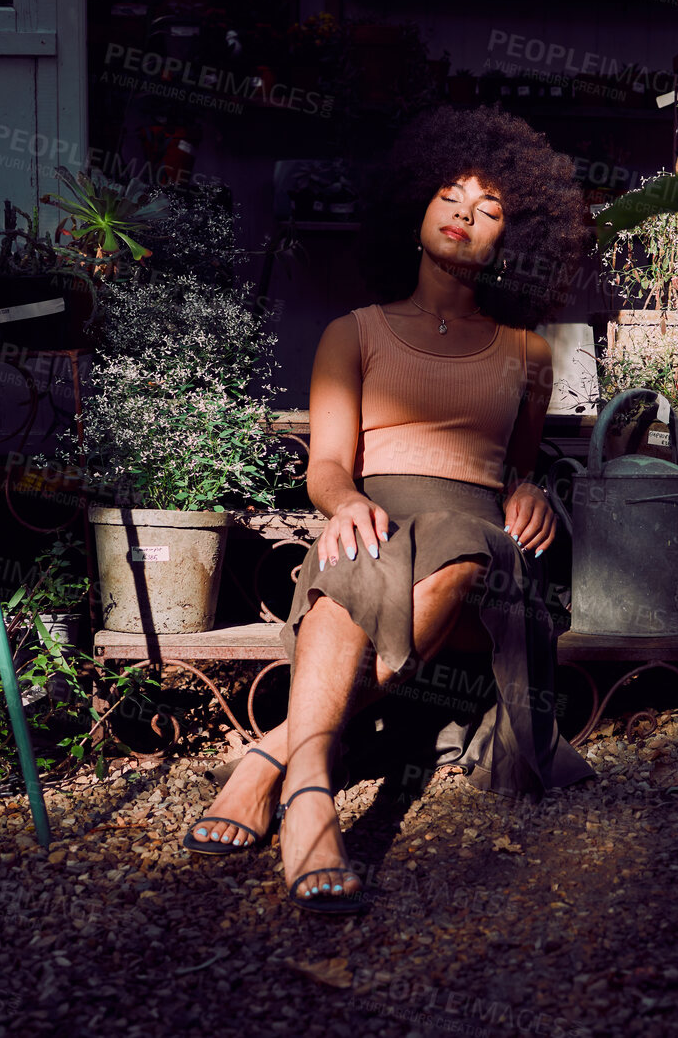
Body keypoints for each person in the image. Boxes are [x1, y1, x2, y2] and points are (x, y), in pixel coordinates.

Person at [183, 105, 598, 913]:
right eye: (451, 194)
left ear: (508, 242)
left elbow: (513, 469)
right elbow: (330, 465)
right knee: (348, 571)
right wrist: (340, 504)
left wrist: (526, 488)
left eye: (490, 210)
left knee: (466, 543)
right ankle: (309, 796)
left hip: (482, 566)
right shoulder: (356, 333)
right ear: (414, 209)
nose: (465, 215)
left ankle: (265, 759)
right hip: (379, 529)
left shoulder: (529, 352)